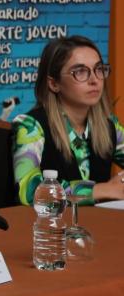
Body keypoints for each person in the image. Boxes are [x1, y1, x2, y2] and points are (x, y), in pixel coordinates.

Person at [13, 35, 124, 205]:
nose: (94, 80)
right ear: (54, 84)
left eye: (99, 69)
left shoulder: (109, 126)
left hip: (99, 226)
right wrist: (99, 190)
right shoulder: (30, 126)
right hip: (49, 228)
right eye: (80, 71)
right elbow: (29, 191)